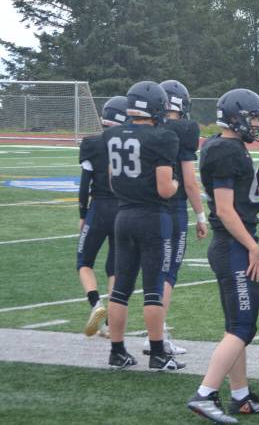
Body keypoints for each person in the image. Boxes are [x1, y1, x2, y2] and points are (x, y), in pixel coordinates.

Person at [187, 89, 259, 424]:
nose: (257, 123)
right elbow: (226, 210)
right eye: (253, 117)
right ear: (237, 117)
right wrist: (251, 246)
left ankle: (240, 397)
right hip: (232, 245)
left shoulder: (229, 146)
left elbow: (252, 195)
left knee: (237, 325)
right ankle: (205, 393)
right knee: (242, 325)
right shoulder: (225, 149)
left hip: (232, 244)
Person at [104, 81, 182, 372]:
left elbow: (113, 181)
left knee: (121, 288)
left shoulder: (112, 135)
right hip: (152, 217)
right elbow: (165, 188)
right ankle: (158, 353)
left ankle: (117, 351)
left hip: (122, 215)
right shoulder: (163, 137)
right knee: (153, 288)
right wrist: (176, 184)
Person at [156, 79, 207, 357]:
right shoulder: (184, 131)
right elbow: (189, 182)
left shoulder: (147, 127)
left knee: (140, 272)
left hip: (139, 208)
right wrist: (201, 215)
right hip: (171, 209)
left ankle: (117, 335)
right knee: (167, 272)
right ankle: (158, 336)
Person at [77, 95, 128, 338]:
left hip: (99, 208)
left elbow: (84, 183)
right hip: (123, 209)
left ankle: (96, 304)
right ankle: (109, 325)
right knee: (114, 267)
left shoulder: (91, 143)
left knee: (84, 262)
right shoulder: (129, 143)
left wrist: (82, 213)